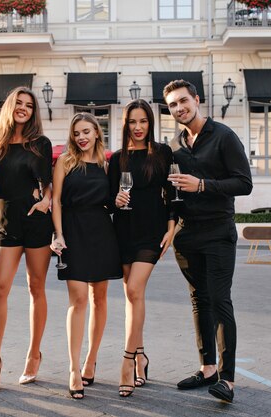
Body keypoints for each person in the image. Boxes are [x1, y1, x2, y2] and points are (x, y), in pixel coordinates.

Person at [164, 79, 253, 403]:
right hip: (187, 237)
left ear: (197, 100)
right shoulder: (175, 144)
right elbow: (173, 193)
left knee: (219, 300)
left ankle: (227, 381)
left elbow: (244, 183)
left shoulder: (224, 136)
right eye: (173, 105)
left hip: (218, 232)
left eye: (183, 101)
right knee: (199, 301)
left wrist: (202, 185)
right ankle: (207, 369)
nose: (179, 108)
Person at [0, 86, 53, 393]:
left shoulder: (40, 143)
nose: (24, 108)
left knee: (35, 287)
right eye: (19, 103)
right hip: (8, 222)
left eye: (29, 105)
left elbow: (48, 183)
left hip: (36, 223)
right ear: (10, 106)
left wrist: (46, 199)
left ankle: (34, 353)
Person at [51, 113, 122, 400]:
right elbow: (55, 200)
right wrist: (58, 234)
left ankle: (91, 359)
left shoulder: (106, 164)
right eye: (77, 132)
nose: (81, 137)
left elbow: (110, 202)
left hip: (102, 232)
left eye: (86, 132)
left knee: (100, 298)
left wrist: (116, 200)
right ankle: (73, 368)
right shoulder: (65, 161)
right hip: (73, 231)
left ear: (96, 133)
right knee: (78, 299)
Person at [107, 99, 176, 398]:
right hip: (123, 232)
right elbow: (109, 198)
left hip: (151, 232)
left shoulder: (162, 153)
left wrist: (172, 226)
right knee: (132, 296)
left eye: (143, 122)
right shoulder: (117, 158)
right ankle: (142, 354)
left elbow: (173, 191)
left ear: (151, 123)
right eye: (133, 122)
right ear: (126, 124)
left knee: (134, 290)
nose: (138, 127)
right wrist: (115, 201)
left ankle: (127, 360)